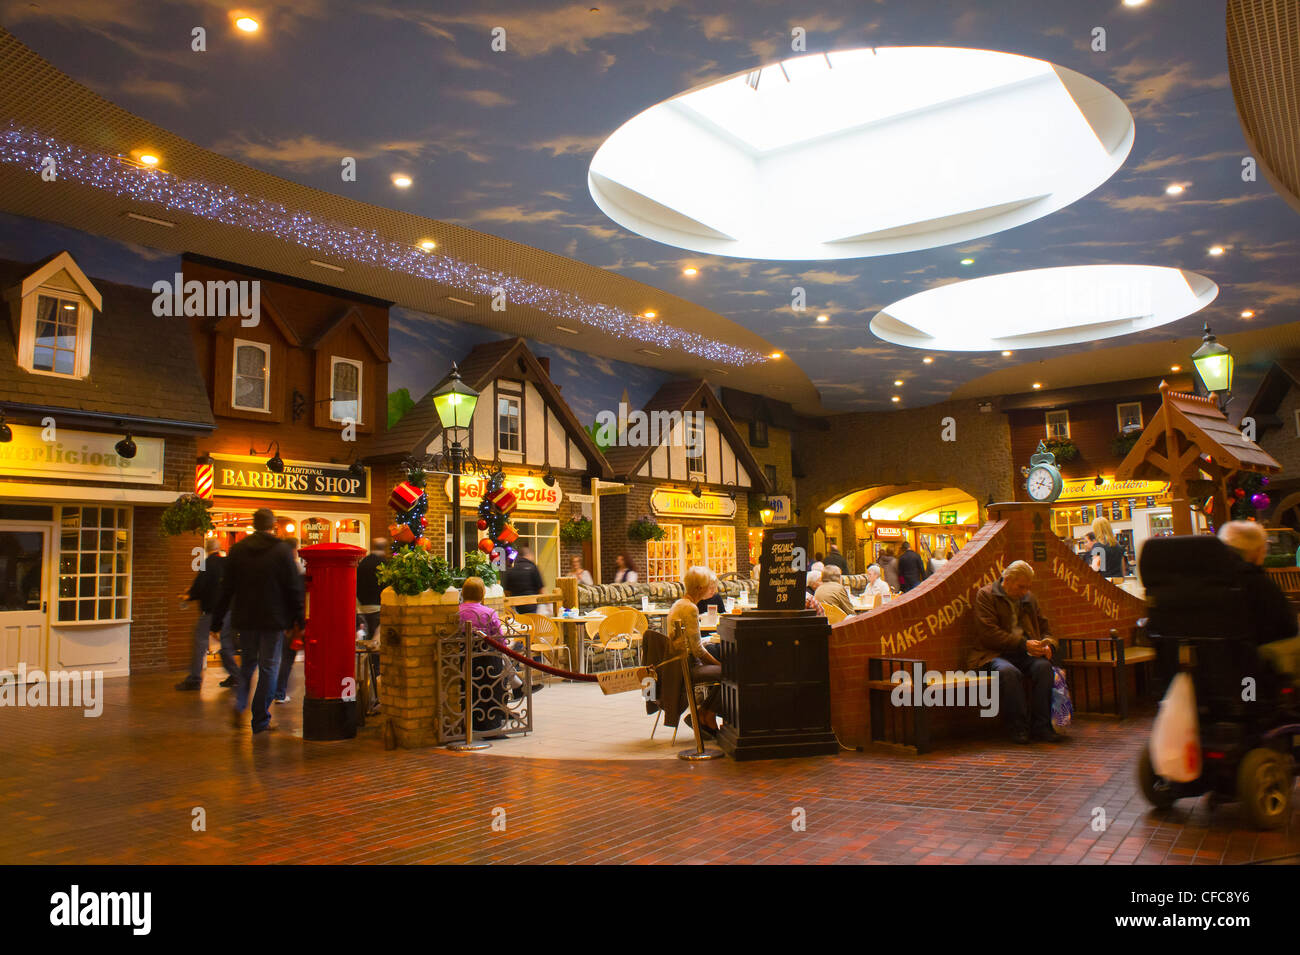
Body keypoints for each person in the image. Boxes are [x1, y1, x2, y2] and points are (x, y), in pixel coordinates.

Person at [211, 509, 304, 734]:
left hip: (245, 618)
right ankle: (260, 719)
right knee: (269, 667)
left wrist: (216, 621)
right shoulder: (281, 551)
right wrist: (298, 620)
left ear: (254, 524)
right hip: (273, 619)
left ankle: (239, 703)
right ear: (272, 526)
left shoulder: (238, 550)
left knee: (248, 664)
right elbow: (293, 588)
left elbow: (227, 588)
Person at [971, 560, 1062, 744]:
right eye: (1021, 587)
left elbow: (1045, 628)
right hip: (994, 653)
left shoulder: (1029, 598)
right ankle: (1018, 728)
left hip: (1026, 652)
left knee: (1044, 668)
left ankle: (1041, 727)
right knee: (1008, 673)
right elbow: (989, 634)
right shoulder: (986, 595)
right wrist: (1023, 644)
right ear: (1007, 579)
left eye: (1027, 587)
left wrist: (1048, 645)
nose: (1024, 591)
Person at [1217, 521, 1300, 678]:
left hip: (1215, 672)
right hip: (1255, 671)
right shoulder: (1259, 584)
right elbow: (1288, 628)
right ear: (1255, 551)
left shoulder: (1208, 581)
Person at [459, 576, 541, 700]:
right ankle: (517, 686)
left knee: (502, 655)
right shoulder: (489, 613)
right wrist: (506, 648)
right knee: (506, 652)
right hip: (487, 660)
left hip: (461, 657)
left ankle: (518, 685)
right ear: (482, 593)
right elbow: (500, 639)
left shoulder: (456, 612)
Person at [668, 566, 723, 738]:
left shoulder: (679, 604)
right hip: (688, 665)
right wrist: (718, 663)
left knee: (725, 669)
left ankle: (705, 713)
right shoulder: (690, 608)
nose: (711, 589)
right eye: (709, 586)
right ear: (700, 588)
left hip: (677, 663)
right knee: (731, 673)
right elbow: (697, 651)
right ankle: (707, 714)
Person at [177, 537, 239, 691]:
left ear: (206, 549)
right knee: (225, 644)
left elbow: (200, 586)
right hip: (227, 611)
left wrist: (189, 595)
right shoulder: (226, 564)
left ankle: (194, 678)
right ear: (219, 548)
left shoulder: (206, 564)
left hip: (211, 611)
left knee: (200, 642)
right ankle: (236, 675)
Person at [273, 537, 306, 704]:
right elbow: (297, 597)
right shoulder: (295, 567)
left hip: (278, 620)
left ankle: (277, 691)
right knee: (287, 658)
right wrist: (300, 623)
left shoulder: (275, 568)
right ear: (294, 549)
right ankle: (279, 692)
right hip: (292, 622)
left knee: (278, 658)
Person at [356, 537, 388, 709]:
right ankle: (375, 691)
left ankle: (366, 690)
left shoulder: (363, 563)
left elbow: (355, 585)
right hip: (378, 608)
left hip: (363, 610)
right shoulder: (384, 564)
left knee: (363, 651)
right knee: (377, 650)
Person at [503, 545, 545, 614]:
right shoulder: (533, 567)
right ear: (528, 555)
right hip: (532, 605)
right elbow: (541, 588)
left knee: (521, 623)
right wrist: (548, 604)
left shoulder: (511, 570)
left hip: (517, 608)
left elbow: (507, 592)